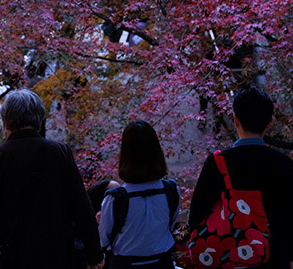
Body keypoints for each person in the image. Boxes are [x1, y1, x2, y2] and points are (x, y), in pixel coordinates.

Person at [0, 89, 103, 269]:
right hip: (57, 253)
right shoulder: (59, 152)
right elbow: (81, 207)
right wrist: (94, 254)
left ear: (6, 121)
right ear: (40, 119)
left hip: (11, 256)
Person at [189, 87, 293, 269]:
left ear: (235, 119)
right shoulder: (284, 163)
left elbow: (196, 215)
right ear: (270, 123)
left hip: (229, 256)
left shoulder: (217, 162)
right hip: (276, 257)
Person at [99, 121, 179, 269]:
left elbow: (103, 240)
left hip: (125, 264)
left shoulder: (116, 198)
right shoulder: (171, 190)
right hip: (162, 263)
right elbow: (170, 225)